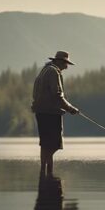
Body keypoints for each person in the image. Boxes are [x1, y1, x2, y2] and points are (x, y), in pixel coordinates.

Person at [32, 50, 79, 179]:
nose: (67, 66)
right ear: (59, 61)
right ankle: (47, 173)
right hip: (50, 113)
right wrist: (70, 108)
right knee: (54, 144)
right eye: (66, 63)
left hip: (41, 112)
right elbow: (57, 95)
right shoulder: (53, 72)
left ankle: (45, 173)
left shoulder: (45, 70)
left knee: (46, 144)